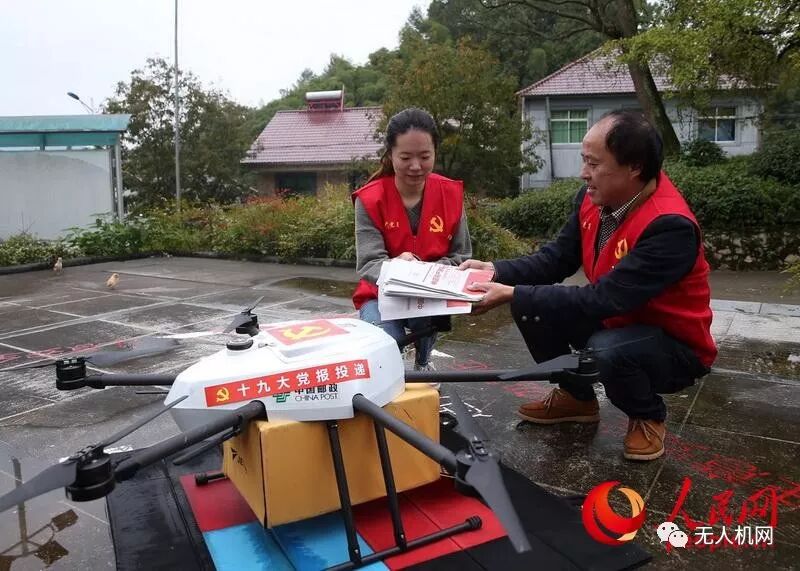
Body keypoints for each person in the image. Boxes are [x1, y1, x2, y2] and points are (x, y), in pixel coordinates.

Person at [460, 110, 716, 461]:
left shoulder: (669, 227)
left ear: (635, 167)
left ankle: (647, 414)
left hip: (673, 346)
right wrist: (495, 271)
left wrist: (514, 292)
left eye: (593, 164)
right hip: (617, 321)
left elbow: (605, 298)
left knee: (605, 349)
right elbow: (555, 259)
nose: (583, 173)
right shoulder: (594, 199)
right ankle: (576, 397)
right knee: (532, 307)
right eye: (584, 161)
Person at [352, 108, 472, 372]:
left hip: (430, 296)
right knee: (385, 346)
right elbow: (369, 262)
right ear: (390, 154)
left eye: (425, 157)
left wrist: (424, 273)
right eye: (405, 157)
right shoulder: (370, 199)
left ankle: (423, 362)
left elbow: (461, 256)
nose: (416, 166)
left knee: (425, 323)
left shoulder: (450, 194)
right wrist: (398, 268)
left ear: (435, 153)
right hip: (379, 294)